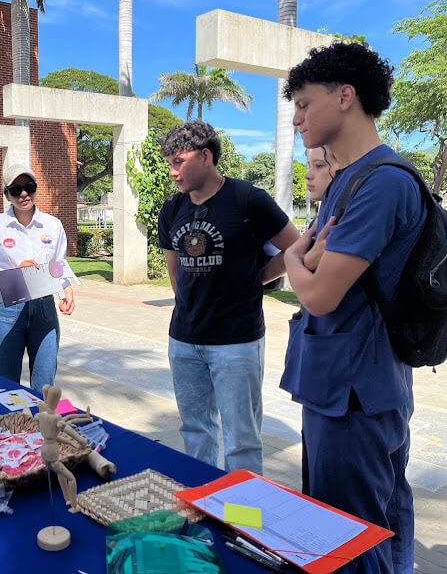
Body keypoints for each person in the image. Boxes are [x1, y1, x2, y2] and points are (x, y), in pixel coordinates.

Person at [280, 41, 424, 573]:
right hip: (342, 385)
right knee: (367, 523)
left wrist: (295, 255)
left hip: (356, 395)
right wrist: (304, 258)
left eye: (302, 102)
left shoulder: (380, 183)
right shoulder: (351, 181)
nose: (296, 119)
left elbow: (316, 290)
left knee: (352, 538)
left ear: (345, 97)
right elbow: (311, 262)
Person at [157, 121, 300, 475]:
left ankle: (241, 521)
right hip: (185, 341)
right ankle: (204, 508)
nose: (173, 172)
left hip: (236, 342)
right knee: (195, 431)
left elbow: (295, 247)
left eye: (179, 161)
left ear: (206, 157)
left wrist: (261, 276)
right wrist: (187, 308)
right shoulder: (172, 210)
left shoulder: (248, 200)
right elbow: (175, 271)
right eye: (169, 164)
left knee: (242, 440)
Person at [0, 164, 75, 391]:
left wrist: (66, 291)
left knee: (44, 388)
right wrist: (16, 275)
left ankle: (41, 427)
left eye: (29, 187)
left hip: (45, 311)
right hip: (8, 312)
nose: (23, 194)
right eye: (16, 189)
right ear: (7, 195)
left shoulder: (53, 225)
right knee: (4, 386)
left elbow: (59, 268)